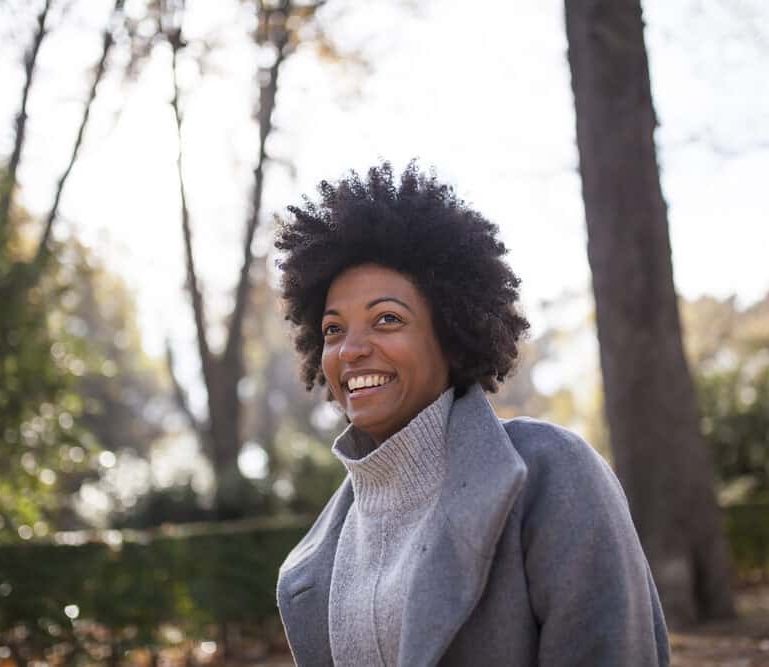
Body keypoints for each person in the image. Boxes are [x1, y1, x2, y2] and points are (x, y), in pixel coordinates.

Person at [273, 162, 670, 666]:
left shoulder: (553, 474)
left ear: (452, 335)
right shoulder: (325, 544)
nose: (350, 350)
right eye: (333, 329)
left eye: (387, 319)